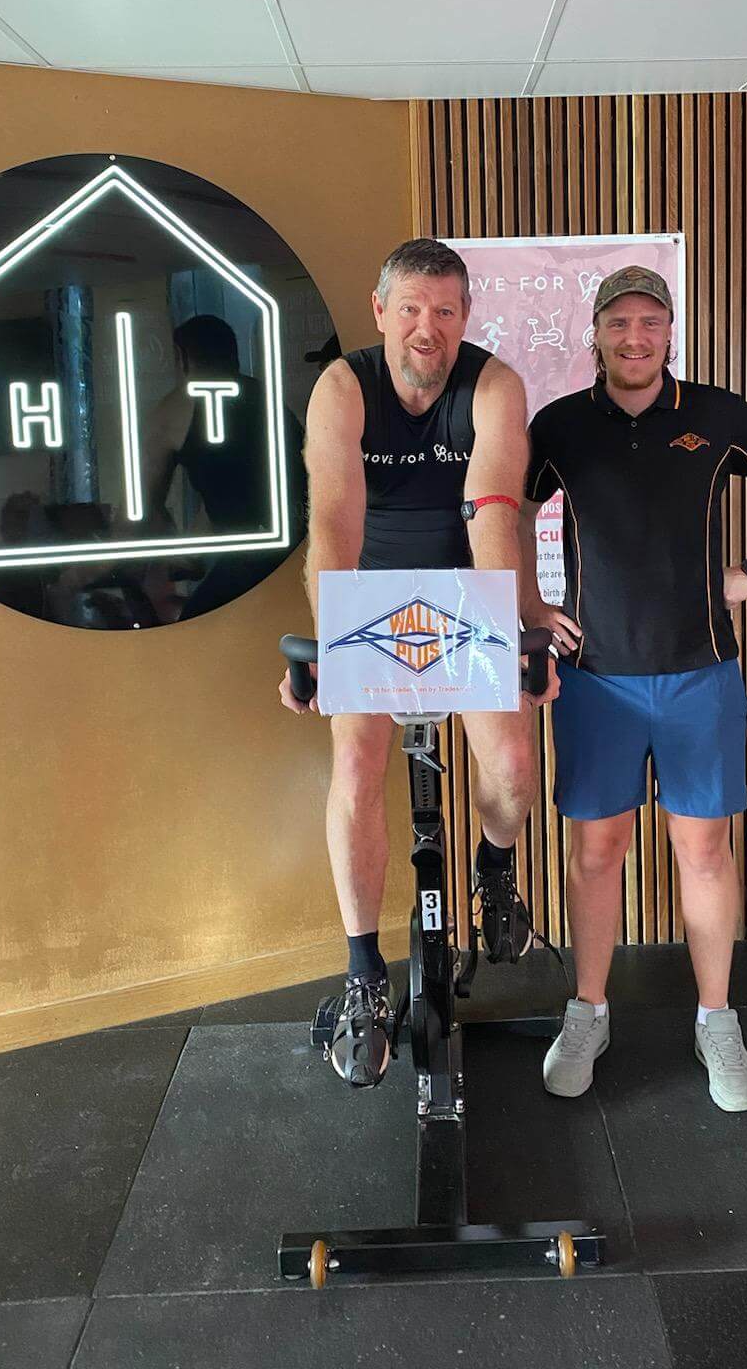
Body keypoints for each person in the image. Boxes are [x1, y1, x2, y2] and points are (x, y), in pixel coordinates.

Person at [519, 265, 747, 1112]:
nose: (635, 337)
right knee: (596, 853)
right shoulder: (558, 425)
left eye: (649, 322)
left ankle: (716, 1020)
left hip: (701, 671)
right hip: (595, 679)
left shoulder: (716, 415)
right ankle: (588, 1012)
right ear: (595, 334)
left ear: (669, 332)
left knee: (703, 851)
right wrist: (532, 604)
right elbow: (505, 509)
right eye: (619, 322)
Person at [279, 238, 555, 1088]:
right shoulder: (343, 387)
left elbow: (492, 510)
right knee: (356, 768)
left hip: (464, 590)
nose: (426, 327)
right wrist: (332, 646)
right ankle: (364, 974)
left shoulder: (493, 385)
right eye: (410, 309)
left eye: (443, 311)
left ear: (465, 315)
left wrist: (510, 636)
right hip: (368, 596)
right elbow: (335, 520)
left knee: (513, 765)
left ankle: (494, 871)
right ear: (380, 311)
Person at [142, 314, 306, 619]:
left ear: (182, 358)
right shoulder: (263, 398)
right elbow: (230, 491)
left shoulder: (179, 408)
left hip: (261, 553)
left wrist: (77, 578)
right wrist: (189, 552)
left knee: (194, 629)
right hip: (297, 543)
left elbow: (139, 512)